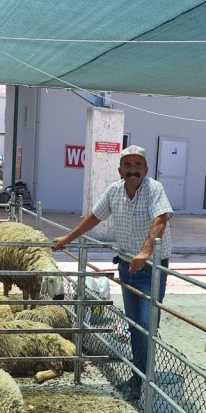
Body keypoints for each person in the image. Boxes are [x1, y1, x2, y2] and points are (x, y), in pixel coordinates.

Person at [53, 146, 173, 399]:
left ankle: (144, 380)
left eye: (137, 165)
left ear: (145, 169)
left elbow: (160, 220)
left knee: (146, 325)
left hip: (151, 269)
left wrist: (145, 252)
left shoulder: (154, 189)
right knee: (134, 324)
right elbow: (94, 217)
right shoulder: (114, 191)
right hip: (127, 267)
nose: (132, 169)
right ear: (120, 170)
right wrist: (67, 239)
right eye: (127, 165)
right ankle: (140, 377)